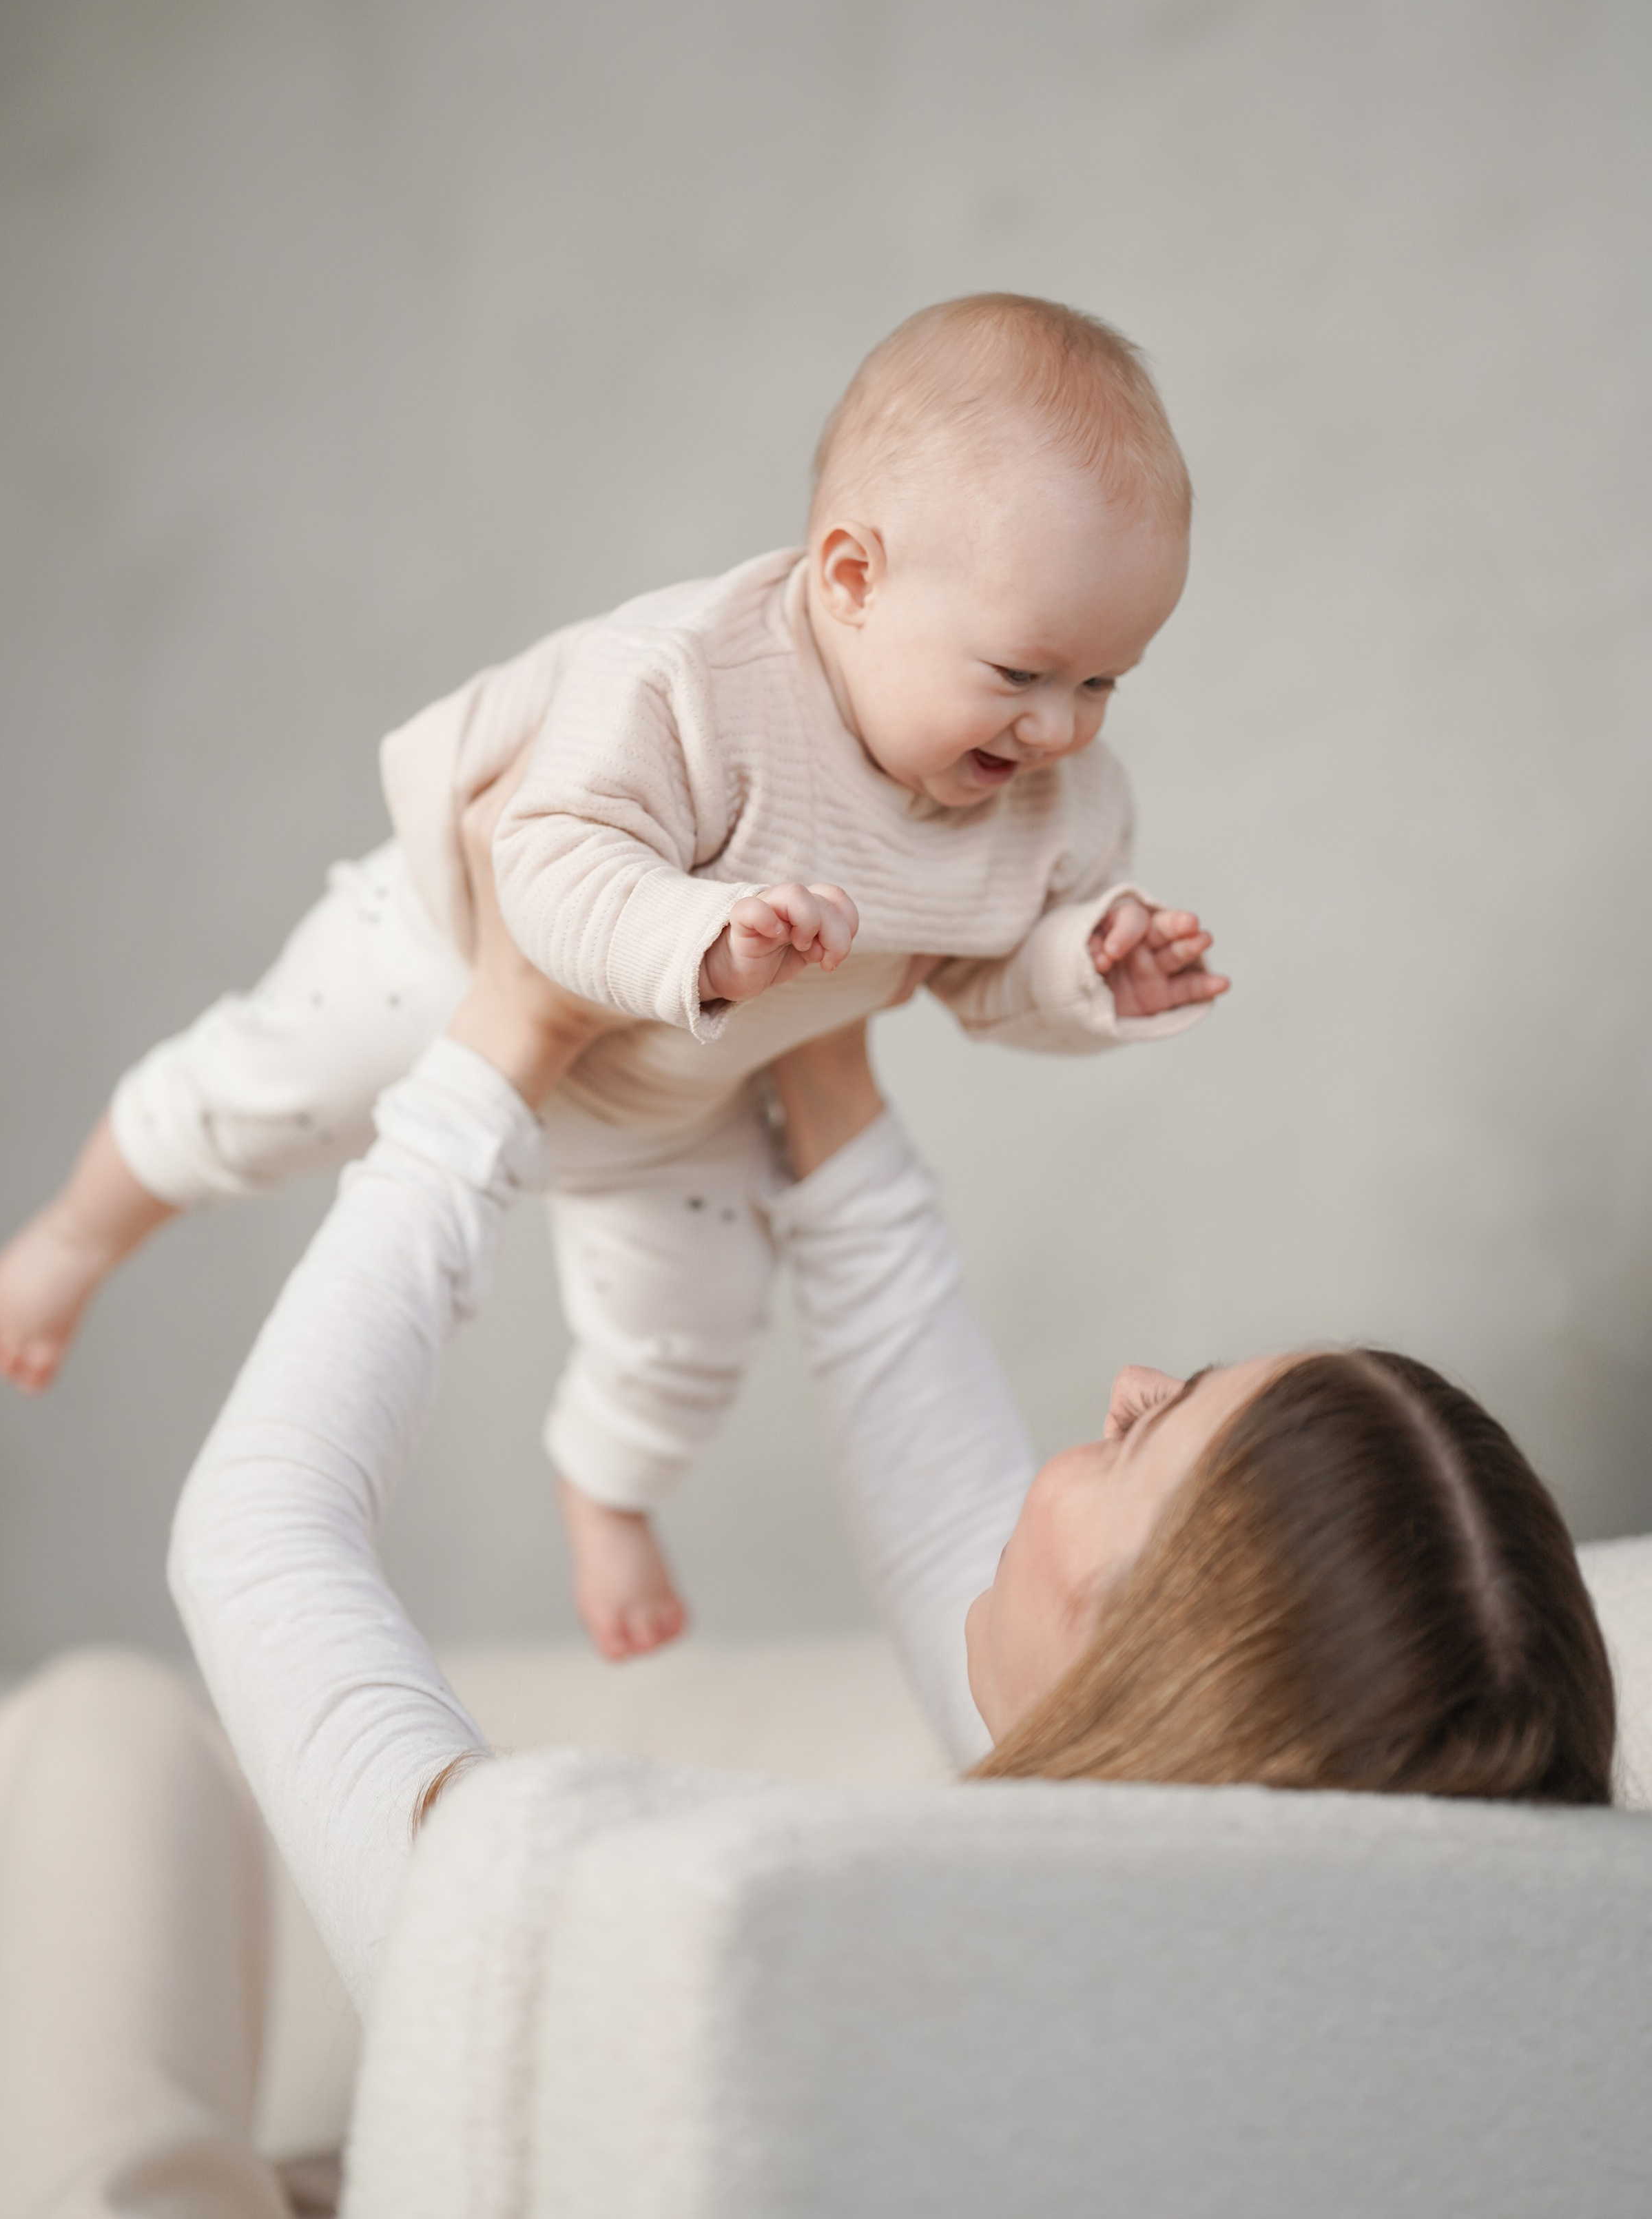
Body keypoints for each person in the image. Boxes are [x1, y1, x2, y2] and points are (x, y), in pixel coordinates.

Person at [170, 823, 1613, 2017]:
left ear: (1133, 1678)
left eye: (1144, 1436)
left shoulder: (647, 1970)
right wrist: (823, 1018)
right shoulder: (1238, 1990)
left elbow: (254, 1535)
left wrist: (500, 1046)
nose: (1127, 1382)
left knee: (104, 1756)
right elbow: (957, 1557)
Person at [0, 294, 1228, 1661]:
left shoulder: (1057, 807)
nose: (1057, 729)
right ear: (851, 577)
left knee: (699, 1322)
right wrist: (701, 938)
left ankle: (604, 1483)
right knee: (252, 1090)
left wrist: (1084, 975)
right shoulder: (688, 681)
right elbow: (547, 855)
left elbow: (977, 978)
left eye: (1105, 683)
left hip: (684, 1096)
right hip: (451, 964)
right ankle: (82, 1232)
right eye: (1022, 671)